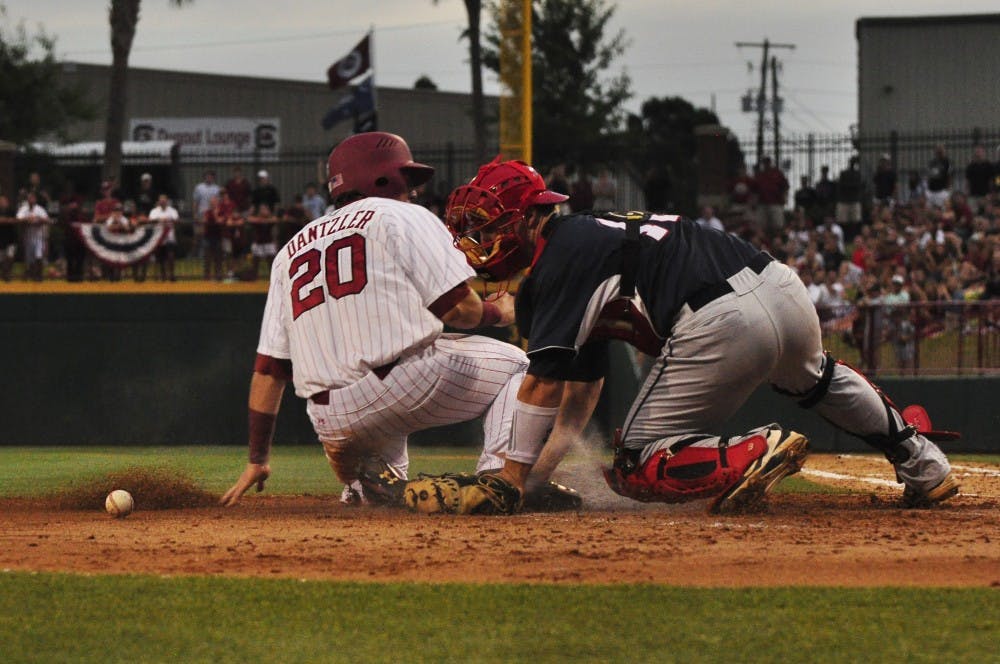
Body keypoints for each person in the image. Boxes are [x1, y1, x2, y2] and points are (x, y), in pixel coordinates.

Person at [366, 157, 959, 515]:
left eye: (484, 225)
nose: (474, 241)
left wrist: (508, 481)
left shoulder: (557, 262)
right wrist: (533, 480)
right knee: (819, 378)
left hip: (719, 318)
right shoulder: (585, 240)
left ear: (524, 218)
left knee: (633, 463)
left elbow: (542, 385)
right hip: (780, 285)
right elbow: (579, 396)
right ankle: (924, 464)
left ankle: (757, 448)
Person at [220, 132, 568, 512]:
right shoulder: (401, 215)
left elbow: (268, 371)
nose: (413, 191)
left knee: (386, 501)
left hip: (329, 419)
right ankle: (499, 481)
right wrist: (501, 311)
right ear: (381, 177)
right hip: (401, 384)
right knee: (520, 365)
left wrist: (257, 459)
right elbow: (459, 312)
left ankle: (363, 490)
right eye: (407, 180)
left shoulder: (289, 251)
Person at [17, 192, 50, 281]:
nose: (31, 200)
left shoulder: (40, 209)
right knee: (29, 259)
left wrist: (38, 219)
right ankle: (31, 275)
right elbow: (18, 219)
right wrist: (27, 219)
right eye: (29, 198)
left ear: (35, 200)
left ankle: (39, 276)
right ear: (27, 200)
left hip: (38, 237)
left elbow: (47, 219)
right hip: (28, 237)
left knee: (38, 256)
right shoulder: (23, 209)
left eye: (32, 198)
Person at [753, 156, 789, 237]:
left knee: (777, 225)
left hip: (776, 203)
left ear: (770, 163)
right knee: (762, 226)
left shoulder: (777, 173)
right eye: (765, 162)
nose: (766, 164)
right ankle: (765, 241)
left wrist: (785, 198)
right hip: (762, 203)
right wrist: (754, 202)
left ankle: (777, 240)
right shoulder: (760, 175)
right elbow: (755, 190)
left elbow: (785, 186)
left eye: (767, 162)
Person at [148, 194, 179, 281]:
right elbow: (150, 220)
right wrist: (159, 220)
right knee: (160, 257)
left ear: (167, 201)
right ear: (159, 202)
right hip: (158, 237)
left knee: (171, 255)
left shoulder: (172, 211)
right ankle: (163, 276)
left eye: (164, 201)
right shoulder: (154, 211)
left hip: (170, 237)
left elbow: (176, 220)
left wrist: (168, 220)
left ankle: (172, 274)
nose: (163, 202)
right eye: (161, 201)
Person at [964, 145, 995, 214]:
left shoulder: (989, 165)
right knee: (973, 213)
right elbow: (967, 181)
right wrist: (967, 193)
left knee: (987, 213)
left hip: (985, 195)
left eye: (980, 152)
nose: (978, 154)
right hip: (973, 195)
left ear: (984, 153)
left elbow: (991, 181)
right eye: (977, 152)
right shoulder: (970, 166)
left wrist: (990, 193)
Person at [926, 144, 951, 209]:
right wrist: (927, 187)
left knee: (942, 208)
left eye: (941, 149)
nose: (939, 151)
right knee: (930, 209)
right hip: (931, 190)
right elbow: (929, 175)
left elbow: (949, 176)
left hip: (942, 190)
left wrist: (948, 189)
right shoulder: (932, 162)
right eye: (937, 150)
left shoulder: (947, 162)